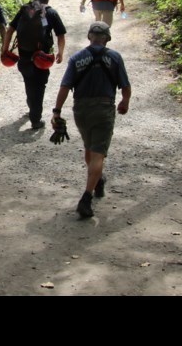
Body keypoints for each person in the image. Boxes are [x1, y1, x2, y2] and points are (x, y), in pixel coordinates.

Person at [51, 21, 131, 219]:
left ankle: (97, 180)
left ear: (89, 37)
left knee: (89, 147)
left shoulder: (77, 58)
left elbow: (65, 86)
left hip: (81, 109)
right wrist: (125, 102)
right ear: (107, 38)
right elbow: (125, 86)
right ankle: (86, 198)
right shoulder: (114, 57)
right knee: (98, 154)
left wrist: (57, 111)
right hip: (104, 108)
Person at [1, 0, 67, 130]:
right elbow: (60, 35)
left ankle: (32, 108)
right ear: (47, 2)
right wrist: (60, 53)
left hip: (24, 55)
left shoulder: (25, 9)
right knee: (39, 86)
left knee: (29, 82)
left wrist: (5, 49)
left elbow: (9, 30)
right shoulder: (51, 12)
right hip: (41, 57)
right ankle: (35, 119)